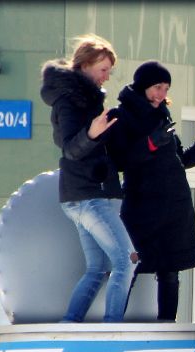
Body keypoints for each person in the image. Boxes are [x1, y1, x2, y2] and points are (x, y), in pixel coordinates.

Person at [107, 61, 195, 322]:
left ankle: (167, 326)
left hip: (174, 204)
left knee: (171, 271)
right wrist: (151, 143)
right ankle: (113, 323)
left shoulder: (163, 115)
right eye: (157, 87)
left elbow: (180, 159)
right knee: (130, 265)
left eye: (165, 88)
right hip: (142, 204)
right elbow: (119, 160)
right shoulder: (123, 116)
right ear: (143, 86)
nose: (162, 94)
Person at [40, 34, 137, 323]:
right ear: (84, 66)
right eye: (103, 69)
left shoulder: (88, 101)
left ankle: (69, 324)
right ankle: (112, 327)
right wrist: (93, 133)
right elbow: (70, 147)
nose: (107, 77)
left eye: (109, 70)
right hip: (88, 197)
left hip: (83, 195)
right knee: (126, 261)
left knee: (97, 268)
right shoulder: (70, 101)